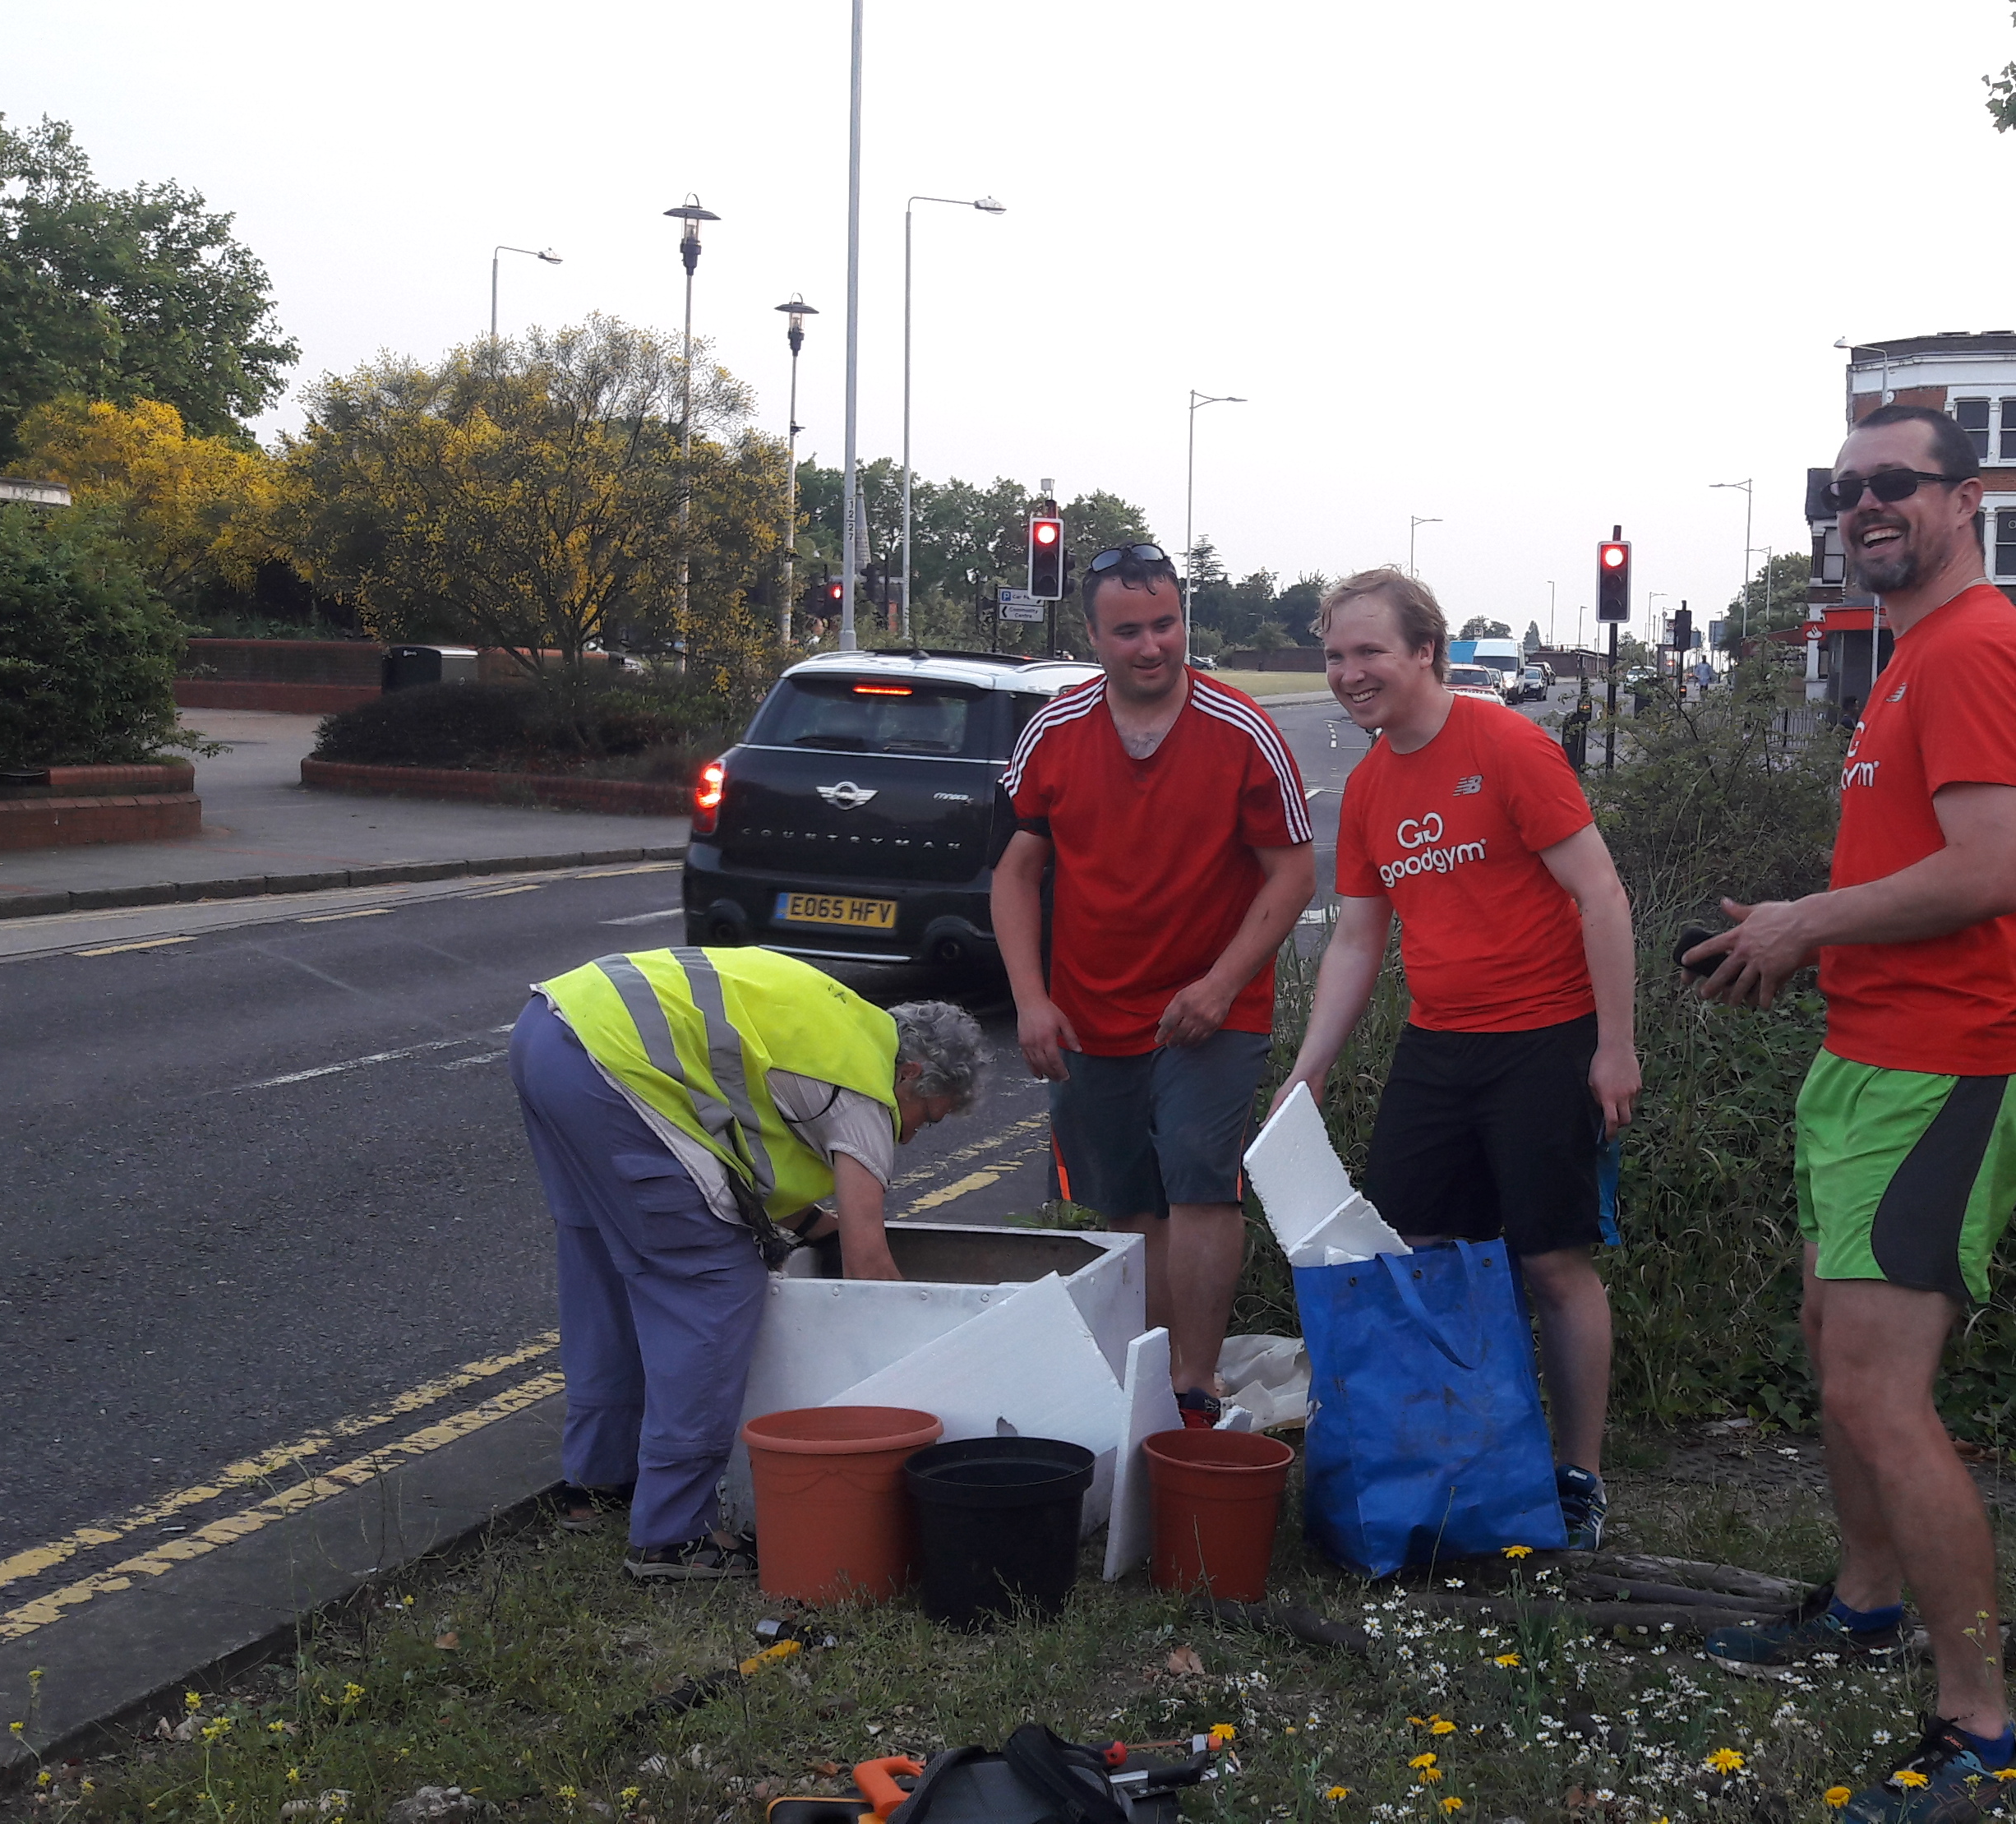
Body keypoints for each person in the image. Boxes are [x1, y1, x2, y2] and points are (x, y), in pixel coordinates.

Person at [1684, 404, 2016, 1821]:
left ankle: (1979, 1728)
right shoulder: (1908, 654)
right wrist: (1799, 944)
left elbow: (1984, 871)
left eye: (1892, 484)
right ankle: (1858, 1607)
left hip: (1946, 1065)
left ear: (1964, 497)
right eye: (1842, 491)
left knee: (1874, 1388)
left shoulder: (1965, 651)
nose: (1862, 507)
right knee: (1828, 1347)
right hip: (1870, 1053)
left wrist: (1803, 920)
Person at [1281, 569, 1643, 1549]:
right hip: (1439, 1046)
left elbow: (1600, 895)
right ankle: (1454, 1458)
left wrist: (1615, 1046)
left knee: (1550, 1259)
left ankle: (1579, 1476)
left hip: (1546, 1037)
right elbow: (1358, 939)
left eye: (1370, 653)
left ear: (1427, 652)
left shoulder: (1507, 746)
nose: (1350, 674)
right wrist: (1311, 1064)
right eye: (1336, 656)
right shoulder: (1368, 788)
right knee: (1419, 1254)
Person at [512, 945, 985, 1581]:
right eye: (932, 1115)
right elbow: (872, 1270)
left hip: (550, 1031)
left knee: (601, 1260)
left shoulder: (838, 1024)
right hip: (610, 1067)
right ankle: (672, 1538)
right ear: (915, 1073)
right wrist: (934, 1365)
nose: (916, 1133)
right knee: (713, 1279)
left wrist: (818, 1229)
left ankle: (596, 1487)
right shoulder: (869, 1083)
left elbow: (738, 1153)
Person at [994, 543, 1316, 1429]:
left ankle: (1195, 1386)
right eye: (1128, 630)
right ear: (1092, 638)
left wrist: (1218, 986)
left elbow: (1292, 872)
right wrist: (1030, 998)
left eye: (1166, 624)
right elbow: (1018, 872)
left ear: (1186, 624)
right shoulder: (1054, 731)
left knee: (1200, 1182)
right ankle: (1150, 1383)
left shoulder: (1240, 728)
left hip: (1211, 1012)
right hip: (1090, 1011)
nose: (1151, 646)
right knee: (1126, 1200)